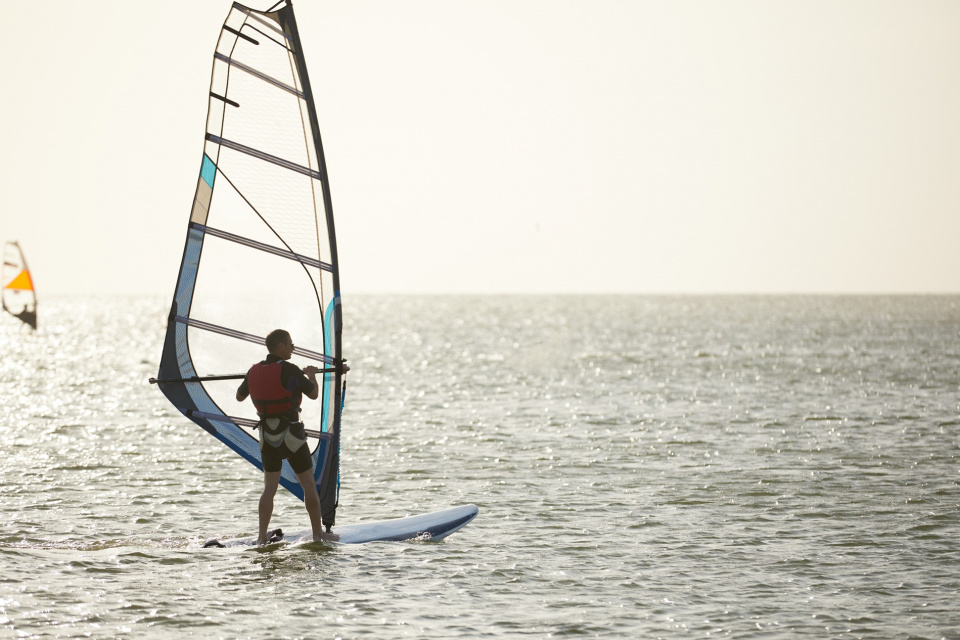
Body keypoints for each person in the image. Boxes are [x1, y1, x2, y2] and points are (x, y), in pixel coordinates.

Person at [236, 329, 336, 544]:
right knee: (309, 485)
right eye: (291, 344)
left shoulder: (253, 371)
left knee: (269, 489)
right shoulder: (290, 370)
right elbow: (313, 393)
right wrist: (311, 375)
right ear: (280, 346)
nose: (293, 348)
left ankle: (261, 538)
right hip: (292, 437)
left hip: (267, 438)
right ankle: (318, 535)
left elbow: (239, 396)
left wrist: (254, 381)